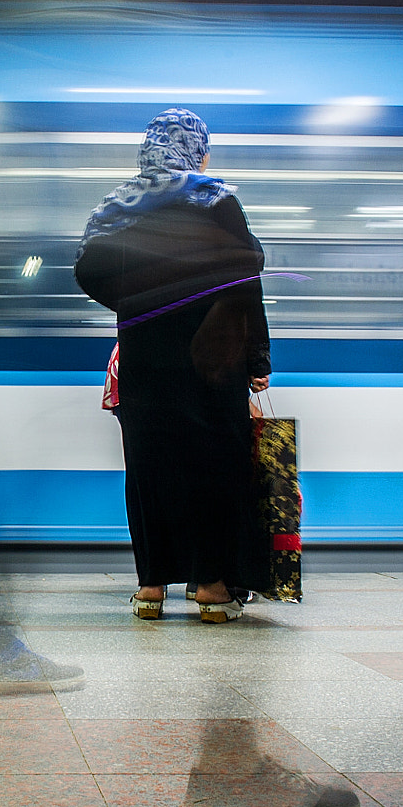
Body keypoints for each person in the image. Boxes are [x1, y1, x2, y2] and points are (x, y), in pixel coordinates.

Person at [76, 109, 270, 624]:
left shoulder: (121, 204)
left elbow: (85, 269)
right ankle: (209, 587)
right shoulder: (217, 200)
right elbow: (247, 280)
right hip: (213, 360)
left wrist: (137, 303)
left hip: (144, 360)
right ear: (196, 151)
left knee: (149, 470)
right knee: (215, 469)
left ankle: (150, 587)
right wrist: (257, 359)